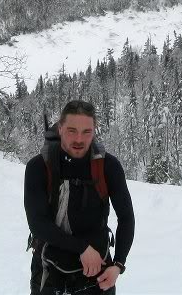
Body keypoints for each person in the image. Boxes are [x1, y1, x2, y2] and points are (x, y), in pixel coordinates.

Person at [24, 100, 135, 294]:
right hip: (49, 268)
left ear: (94, 130)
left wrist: (118, 265)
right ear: (60, 128)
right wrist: (82, 248)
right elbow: (37, 223)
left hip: (97, 272)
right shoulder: (39, 167)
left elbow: (126, 217)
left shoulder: (108, 167)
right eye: (71, 130)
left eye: (87, 132)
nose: (79, 139)